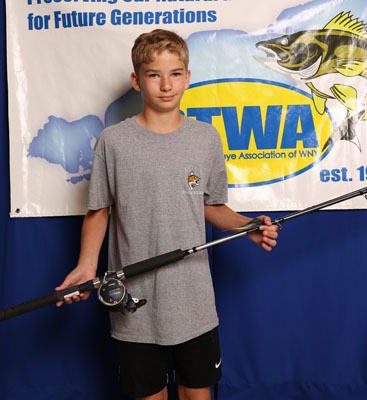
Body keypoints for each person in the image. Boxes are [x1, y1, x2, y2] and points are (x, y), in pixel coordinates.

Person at [55, 29, 279, 400]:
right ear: (136, 81)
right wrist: (85, 265)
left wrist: (245, 226)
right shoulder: (113, 141)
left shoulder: (206, 138)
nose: (165, 85)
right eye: (154, 75)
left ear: (187, 78)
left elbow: (210, 206)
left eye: (175, 74)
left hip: (194, 301)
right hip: (134, 303)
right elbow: (99, 210)